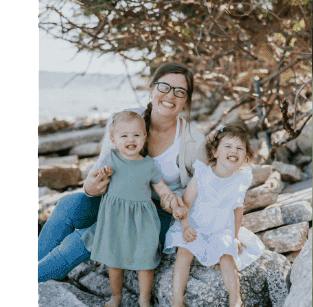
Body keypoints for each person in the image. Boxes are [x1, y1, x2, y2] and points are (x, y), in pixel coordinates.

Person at [38, 62, 207, 282]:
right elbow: (99, 172)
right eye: (164, 87)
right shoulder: (125, 120)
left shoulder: (194, 141)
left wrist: (177, 202)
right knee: (69, 204)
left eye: (180, 91)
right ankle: (41, 269)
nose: (170, 95)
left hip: (157, 215)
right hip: (118, 201)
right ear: (152, 89)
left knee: (89, 236)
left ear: (186, 100)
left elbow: (202, 192)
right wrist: (90, 187)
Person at [81, 111, 185, 307]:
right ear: (113, 140)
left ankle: (144, 300)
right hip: (115, 220)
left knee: (145, 261)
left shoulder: (148, 165)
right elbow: (98, 179)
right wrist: (104, 173)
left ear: (145, 137)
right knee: (114, 260)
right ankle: (116, 295)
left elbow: (162, 188)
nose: (131, 140)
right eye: (124, 136)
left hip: (142, 221)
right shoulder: (111, 159)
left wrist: (172, 200)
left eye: (136, 135)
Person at [164, 124, 264, 307]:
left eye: (239, 148)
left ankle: (235, 304)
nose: (233, 152)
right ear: (215, 152)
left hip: (220, 228)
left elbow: (237, 209)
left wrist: (235, 237)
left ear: (246, 156)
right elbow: (185, 204)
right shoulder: (203, 174)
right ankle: (177, 302)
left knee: (227, 254)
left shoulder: (241, 179)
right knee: (184, 252)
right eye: (228, 146)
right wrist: (185, 228)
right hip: (195, 224)